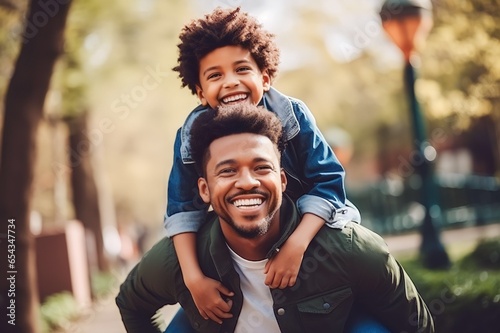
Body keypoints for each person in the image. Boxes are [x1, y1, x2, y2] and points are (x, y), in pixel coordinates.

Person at [117, 103, 434, 333]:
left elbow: (418, 327)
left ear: (282, 180)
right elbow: (131, 305)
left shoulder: (350, 249)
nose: (247, 182)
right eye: (227, 171)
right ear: (204, 188)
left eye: (261, 167)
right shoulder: (180, 261)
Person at [165, 7, 361, 323]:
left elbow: (328, 181)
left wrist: (296, 246)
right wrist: (194, 280)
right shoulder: (190, 136)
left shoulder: (292, 115)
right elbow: (181, 210)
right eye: (215, 75)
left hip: (306, 230)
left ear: (265, 77)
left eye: (242, 69)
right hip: (244, 241)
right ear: (201, 93)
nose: (230, 82)